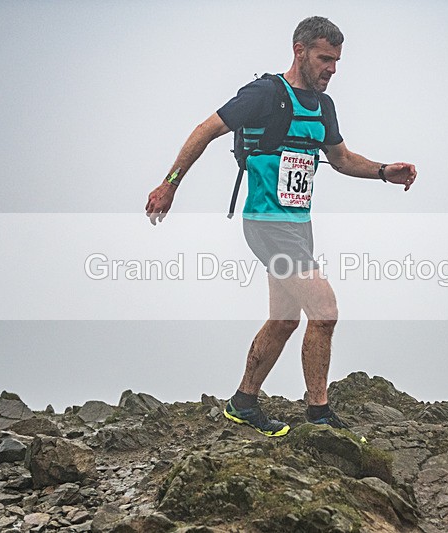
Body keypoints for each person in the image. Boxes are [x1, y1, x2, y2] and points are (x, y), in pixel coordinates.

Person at [145, 16, 417, 437]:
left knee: (285, 319)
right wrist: (170, 184)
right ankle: (320, 415)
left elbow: (342, 159)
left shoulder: (324, 107)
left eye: (337, 61)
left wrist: (384, 171)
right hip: (266, 224)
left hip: (299, 225)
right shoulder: (265, 94)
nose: (332, 69)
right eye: (325, 58)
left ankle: (243, 403)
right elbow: (206, 130)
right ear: (300, 50)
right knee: (324, 312)